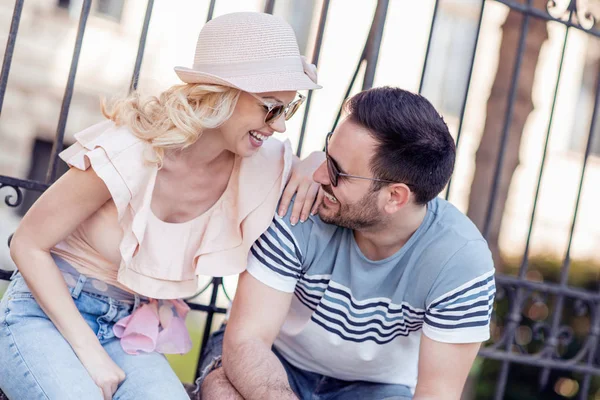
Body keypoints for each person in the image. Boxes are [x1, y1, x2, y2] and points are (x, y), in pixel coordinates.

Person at [0, 12, 324, 400]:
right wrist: (89, 353)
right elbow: (26, 244)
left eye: (288, 109)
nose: (280, 126)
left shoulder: (262, 164)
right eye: (270, 107)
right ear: (223, 93)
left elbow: (330, 166)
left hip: (129, 328)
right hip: (46, 315)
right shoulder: (130, 149)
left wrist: (312, 163)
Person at [200, 87, 496, 400]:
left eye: (339, 171)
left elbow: (437, 393)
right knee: (223, 392)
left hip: (375, 389)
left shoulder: (461, 264)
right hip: (274, 358)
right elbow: (248, 340)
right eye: (327, 155)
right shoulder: (301, 202)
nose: (318, 174)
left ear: (395, 197)